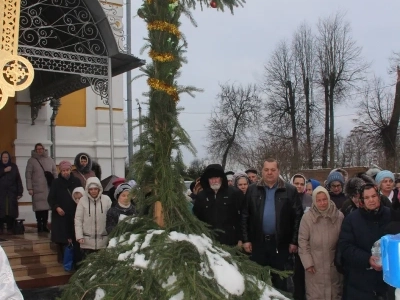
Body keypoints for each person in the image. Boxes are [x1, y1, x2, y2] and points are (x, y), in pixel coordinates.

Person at [241, 158, 303, 294]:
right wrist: (246, 240)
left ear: (278, 171)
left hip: (280, 245)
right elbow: (245, 215)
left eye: (273, 170)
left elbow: (298, 217)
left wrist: (294, 241)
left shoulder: (290, 190)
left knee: (281, 284)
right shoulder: (252, 190)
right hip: (258, 244)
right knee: (257, 283)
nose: (270, 173)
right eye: (266, 170)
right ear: (262, 171)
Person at [338, 184, 390, 300]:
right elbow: (345, 247)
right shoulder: (351, 220)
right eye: (367, 198)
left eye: (374, 196)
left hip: (386, 281)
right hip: (360, 283)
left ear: (379, 197)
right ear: (361, 200)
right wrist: (367, 259)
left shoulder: (390, 215)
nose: (371, 200)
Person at [298, 186, 344, 300]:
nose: (322, 203)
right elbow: (302, 241)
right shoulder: (307, 218)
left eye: (324, 199)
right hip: (315, 267)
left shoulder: (339, 216)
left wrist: (341, 260)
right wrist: (308, 263)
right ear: (314, 201)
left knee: (335, 293)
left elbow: (344, 240)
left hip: (334, 265)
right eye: (319, 200)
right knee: (315, 294)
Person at [193, 164, 244, 246]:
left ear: (221, 178)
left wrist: (241, 239)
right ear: (207, 180)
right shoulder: (201, 196)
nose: (214, 181)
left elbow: (242, 217)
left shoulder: (234, 193)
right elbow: (197, 218)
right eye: (211, 178)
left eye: (216, 177)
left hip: (231, 241)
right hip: (209, 242)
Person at [47, 160, 81, 263]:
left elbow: (81, 194)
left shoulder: (76, 181)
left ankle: (74, 261)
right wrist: (57, 207)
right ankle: (62, 260)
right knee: (62, 239)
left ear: (70, 170)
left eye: (67, 170)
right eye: (63, 171)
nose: (65, 172)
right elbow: (51, 198)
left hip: (74, 213)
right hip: (60, 215)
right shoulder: (56, 182)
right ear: (60, 171)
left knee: (74, 237)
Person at [75, 177, 112, 258]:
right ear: (88, 190)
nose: (93, 191)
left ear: (99, 189)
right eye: (91, 189)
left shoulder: (107, 200)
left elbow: (111, 219)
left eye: (95, 189)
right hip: (86, 242)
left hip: (103, 241)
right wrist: (79, 236)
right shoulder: (82, 201)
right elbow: (78, 220)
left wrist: (111, 235)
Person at [25, 143, 58, 233]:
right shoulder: (31, 161)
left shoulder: (50, 160)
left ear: (44, 149)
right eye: (37, 149)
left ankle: (45, 224)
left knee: (46, 207)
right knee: (38, 208)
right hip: (37, 188)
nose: (39, 150)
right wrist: (30, 188)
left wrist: (56, 184)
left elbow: (55, 172)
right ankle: (39, 224)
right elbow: (28, 175)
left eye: (41, 148)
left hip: (47, 188)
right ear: (35, 150)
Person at [0, 151, 23, 234]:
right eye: (3, 157)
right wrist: (3, 171)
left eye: (6, 157)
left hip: (11, 193)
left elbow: (18, 180)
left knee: (11, 210)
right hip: (1, 193)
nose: (5, 159)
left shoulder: (14, 166)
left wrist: (20, 192)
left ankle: (10, 228)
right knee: (1, 210)